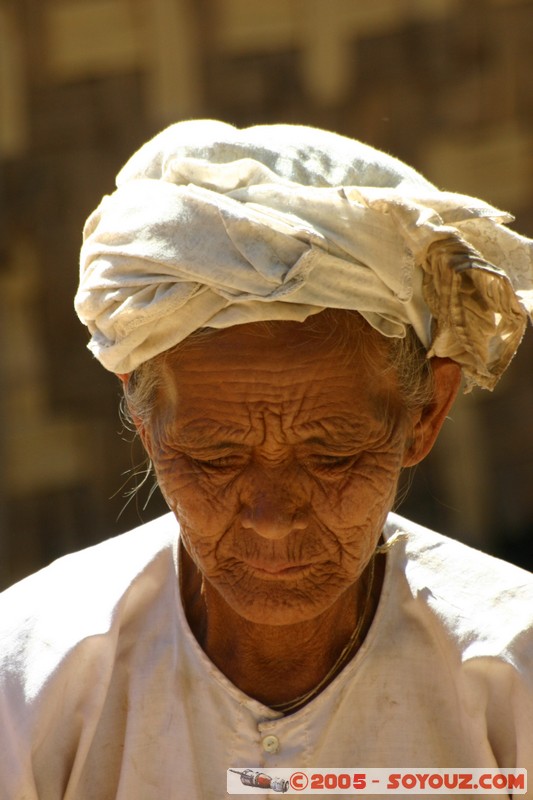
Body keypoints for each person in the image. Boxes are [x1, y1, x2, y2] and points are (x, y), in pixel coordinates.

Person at [1, 120, 533, 800]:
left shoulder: (510, 670)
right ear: (144, 419)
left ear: (424, 413)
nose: (272, 518)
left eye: (331, 455)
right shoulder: (28, 681)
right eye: (217, 456)